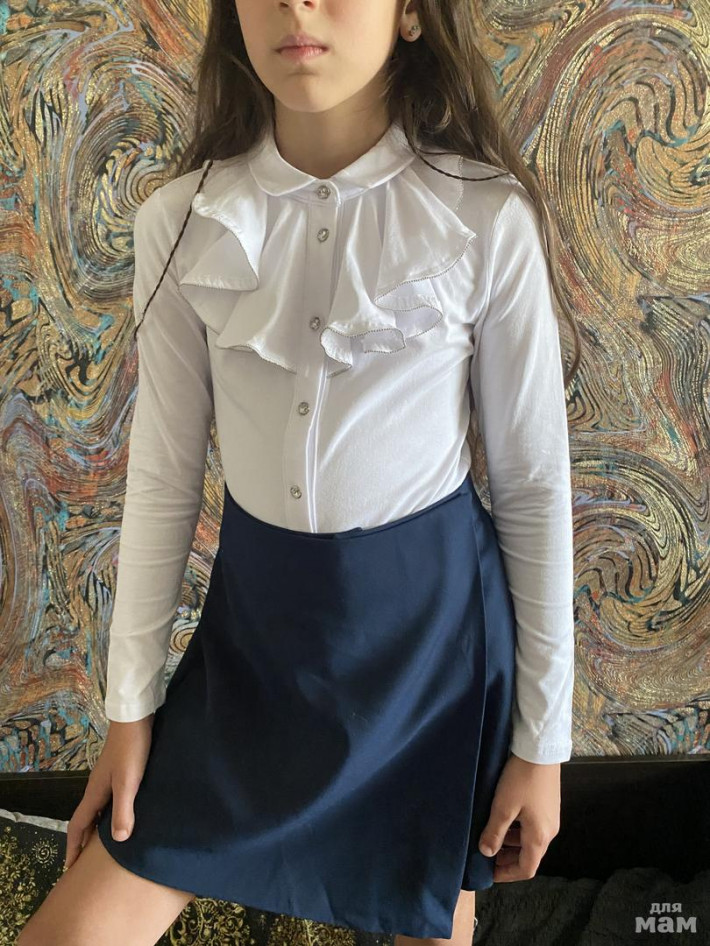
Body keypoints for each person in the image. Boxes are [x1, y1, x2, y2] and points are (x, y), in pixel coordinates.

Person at [17, 1, 582, 945]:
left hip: (430, 663)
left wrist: (542, 745)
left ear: (411, 13)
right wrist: (129, 713)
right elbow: (162, 477)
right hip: (252, 654)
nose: (295, 3)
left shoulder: (484, 217)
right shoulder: (183, 221)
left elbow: (532, 486)